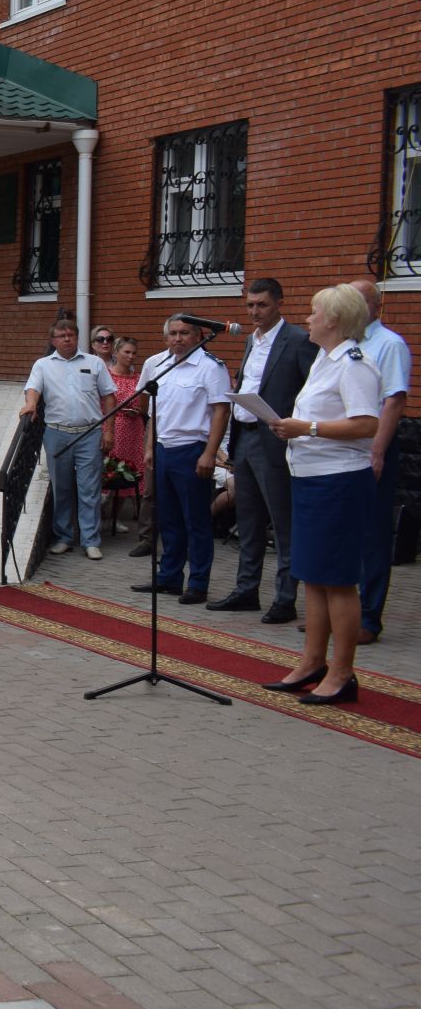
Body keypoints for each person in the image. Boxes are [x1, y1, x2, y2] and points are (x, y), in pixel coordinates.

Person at [263, 285, 384, 705]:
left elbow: (367, 424)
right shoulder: (324, 360)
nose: (308, 319)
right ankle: (312, 661)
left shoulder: (354, 363)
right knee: (312, 576)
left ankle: (342, 673)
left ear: (333, 319)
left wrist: (306, 428)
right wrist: (293, 426)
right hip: (312, 477)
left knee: (337, 580)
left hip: (339, 481)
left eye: (314, 313)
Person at [209, 278, 318, 622]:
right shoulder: (250, 340)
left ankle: (285, 598)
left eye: (262, 305)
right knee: (248, 519)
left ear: (279, 304)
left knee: (281, 522)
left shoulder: (298, 340)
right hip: (245, 437)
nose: (255, 311)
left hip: (276, 441)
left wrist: (294, 425)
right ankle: (246, 590)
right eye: (251, 305)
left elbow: (311, 391)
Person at [130, 315, 232, 604]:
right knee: (170, 519)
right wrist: (150, 446)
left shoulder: (210, 368)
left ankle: (198, 583)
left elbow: (221, 412)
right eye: (172, 333)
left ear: (198, 335)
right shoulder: (163, 367)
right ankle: (169, 577)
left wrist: (209, 453)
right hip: (164, 449)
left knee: (196, 520)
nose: (177, 338)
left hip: (192, 450)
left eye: (184, 333)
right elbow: (155, 411)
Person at [19, 318, 116, 560]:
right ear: (53, 340)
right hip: (56, 433)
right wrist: (31, 404)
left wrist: (108, 430)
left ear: (77, 337)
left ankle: (91, 540)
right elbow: (33, 389)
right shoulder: (43, 364)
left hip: (89, 433)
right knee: (61, 487)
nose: (66, 339)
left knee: (89, 489)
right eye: (61, 335)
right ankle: (63, 537)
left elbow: (109, 397)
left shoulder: (94, 363)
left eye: (71, 334)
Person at [349, 279, 410, 644]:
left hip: (372, 447)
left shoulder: (388, 344)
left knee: (372, 535)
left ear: (375, 307)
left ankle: (368, 617)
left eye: (358, 302)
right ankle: (341, 611)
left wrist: (378, 450)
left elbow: (394, 401)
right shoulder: (345, 344)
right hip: (343, 449)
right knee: (346, 533)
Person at [104, 336, 150, 538]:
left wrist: (139, 410)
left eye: (134, 353)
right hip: (115, 426)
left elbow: (145, 405)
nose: (131, 356)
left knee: (133, 469)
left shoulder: (139, 377)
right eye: (126, 352)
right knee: (113, 469)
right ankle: (107, 515)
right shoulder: (107, 376)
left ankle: (127, 517)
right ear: (116, 353)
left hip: (135, 427)